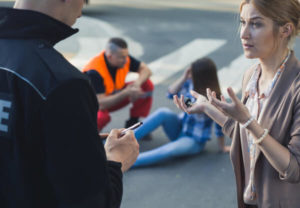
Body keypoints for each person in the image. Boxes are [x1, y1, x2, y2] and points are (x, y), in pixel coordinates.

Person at [0, 0, 139, 207]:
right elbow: (92, 202)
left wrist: (80, 144)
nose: (82, 11)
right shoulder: (62, 83)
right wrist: (116, 160)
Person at [174, 0, 300, 207]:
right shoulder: (251, 76)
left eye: (256, 24)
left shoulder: (296, 87)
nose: (243, 34)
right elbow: (245, 137)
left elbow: (294, 169)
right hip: (250, 200)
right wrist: (207, 107)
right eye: (243, 22)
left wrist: (249, 121)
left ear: (286, 29)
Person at [132, 58, 230, 168]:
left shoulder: (213, 97)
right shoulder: (190, 83)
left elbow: (219, 126)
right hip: (180, 127)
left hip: (193, 140)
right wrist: (184, 77)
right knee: (163, 112)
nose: (190, 75)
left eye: (192, 73)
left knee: (169, 149)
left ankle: (127, 162)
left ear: (201, 76)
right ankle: (123, 139)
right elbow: (170, 93)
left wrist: (222, 147)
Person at [83, 37, 154, 131]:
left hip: (112, 95)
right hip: (92, 106)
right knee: (102, 117)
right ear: (110, 56)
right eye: (121, 57)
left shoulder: (124, 59)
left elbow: (147, 70)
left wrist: (136, 85)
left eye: (126, 56)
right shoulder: (94, 72)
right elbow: (100, 104)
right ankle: (90, 137)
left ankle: (133, 123)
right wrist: (126, 92)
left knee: (146, 85)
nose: (126, 60)